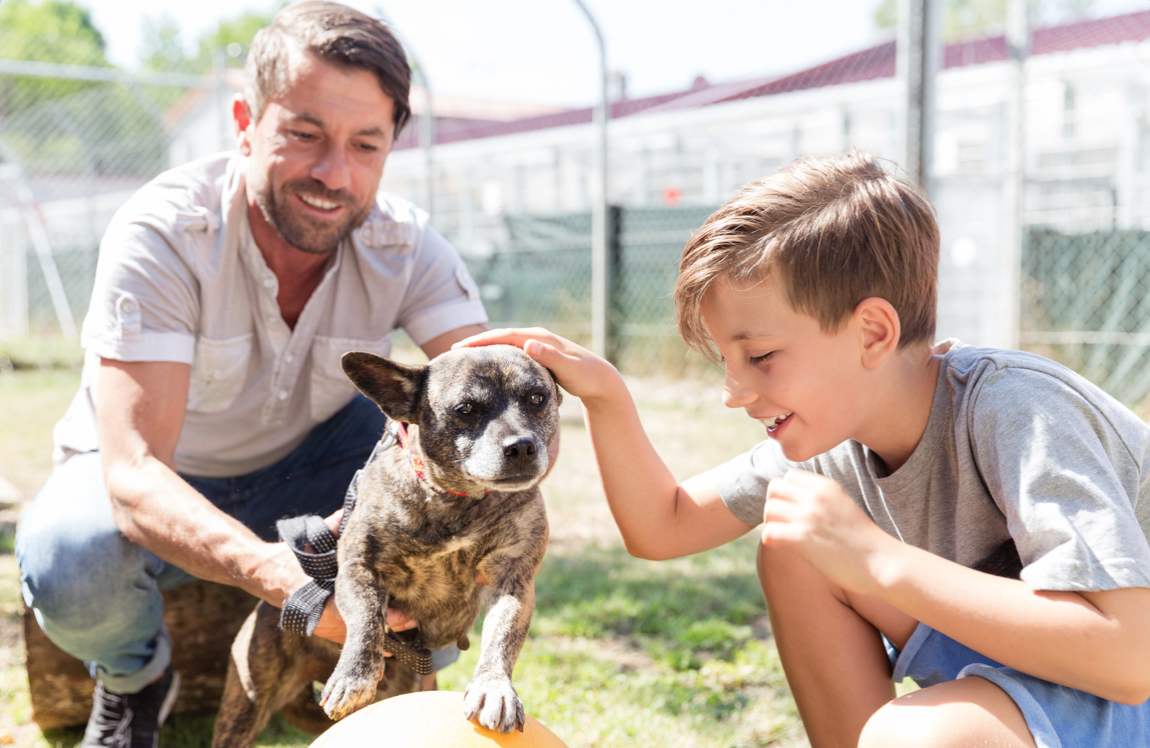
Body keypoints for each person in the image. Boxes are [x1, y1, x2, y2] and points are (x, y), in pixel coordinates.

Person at [458, 150, 1150, 748]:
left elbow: (1126, 655)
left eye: (759, 355)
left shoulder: (1015, 408)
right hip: (1043, 669)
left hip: (1126, 676)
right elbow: (662, 525)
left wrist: (879, 561)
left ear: (872, 333)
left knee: (915, 735)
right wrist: (605, 394)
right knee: (794, 545)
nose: (734, 391)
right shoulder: (833, 434)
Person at [16, 3, 489, 746]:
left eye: (366, 144)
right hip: (151, 477)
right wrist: (289, 584)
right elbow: (136, 473)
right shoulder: (167, 231)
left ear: (392, 144)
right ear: (245, 120)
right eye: (304, 135)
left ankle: (369, 679)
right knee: (70, 562)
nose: (335, 174)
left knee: (466, 489)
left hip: (314, 475)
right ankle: (138, 681)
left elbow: (492, 396)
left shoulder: (409, 243)